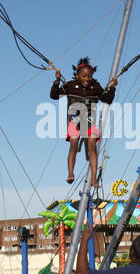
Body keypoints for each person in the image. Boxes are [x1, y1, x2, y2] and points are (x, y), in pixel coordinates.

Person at [50, 57, 118, 185]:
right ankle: (70, 173)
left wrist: (113, 88)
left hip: (88, 120)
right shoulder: (69, 85)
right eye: (84, 76)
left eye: (89, 76)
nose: (87, 79)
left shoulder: (95, 86)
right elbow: (54, 95)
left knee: (92, 146)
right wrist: (57, 81)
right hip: (74, 119)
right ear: (77, 76)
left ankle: (93, 178)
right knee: (74, 144)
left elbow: (107, 99)